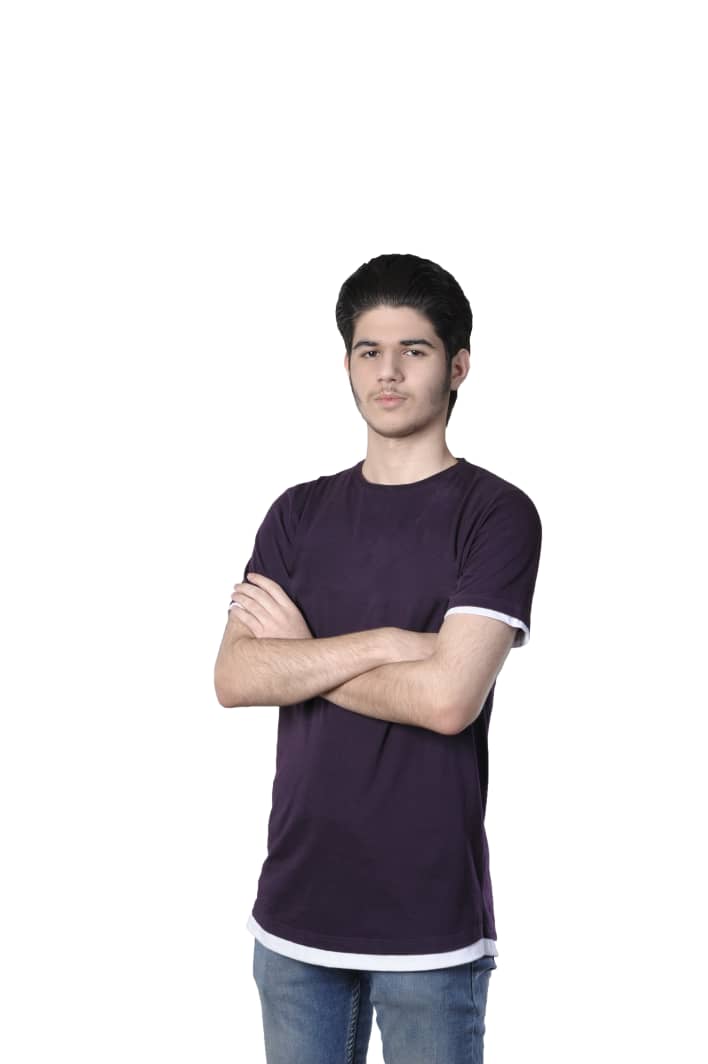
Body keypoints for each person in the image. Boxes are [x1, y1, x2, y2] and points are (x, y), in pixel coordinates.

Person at [213, 253, 543, 1063]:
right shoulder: (297, 513)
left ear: (458, 366)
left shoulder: (497, 514)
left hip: (428, 924)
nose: (387, 371)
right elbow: (235, 677)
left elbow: (448, 701)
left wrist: (301, 656)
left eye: (414, 350)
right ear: (348, 364)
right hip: (293, 913)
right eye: (369, 350)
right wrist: (394, 644)